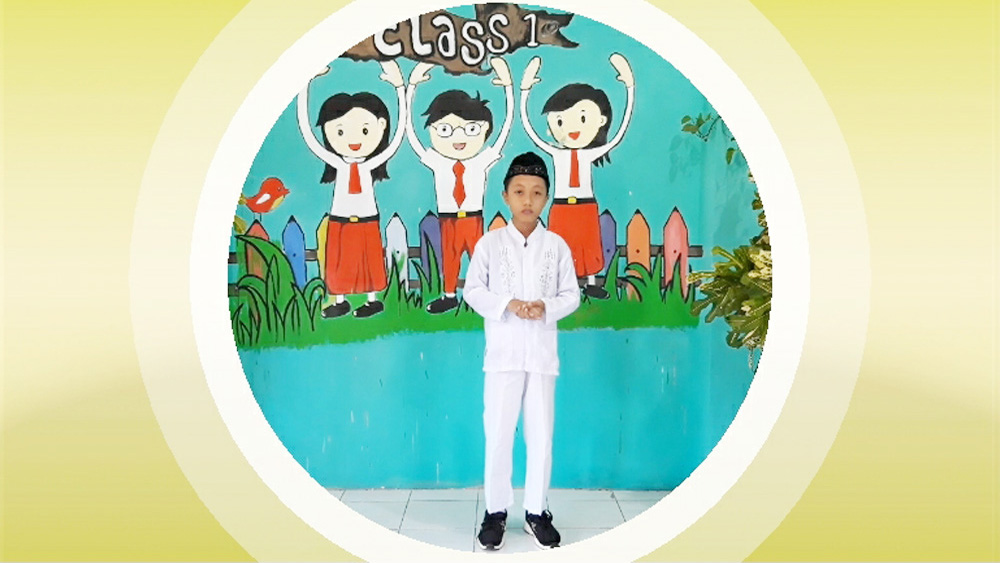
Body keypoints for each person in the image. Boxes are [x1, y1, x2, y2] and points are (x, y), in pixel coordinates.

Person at [464, 152, 581, 550]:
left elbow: (571, 295)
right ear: (506, 196)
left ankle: (536, 511)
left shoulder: (556, 246)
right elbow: (473, 291)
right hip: (503, 355)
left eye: (536, 192)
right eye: (519, 192)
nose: (527, 200)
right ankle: (495, 511)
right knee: (498, 433)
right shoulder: (490, 244)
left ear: (546, 197)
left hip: (542, 355)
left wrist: (545, 307)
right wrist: (509, 304)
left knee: (541, 435)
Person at [520, 53, 635, 299]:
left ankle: (591, 282)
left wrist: (629, 86)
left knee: (588, 244)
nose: (571, 128)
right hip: (561, 206)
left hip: (585, 206)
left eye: (582, 118)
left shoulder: (590, 153)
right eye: (560, 120)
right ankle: (561, 284)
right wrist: (525, 90)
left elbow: (619, 133)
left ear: (601, 120)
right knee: (559, 246)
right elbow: (529, 129)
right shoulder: (557, 153)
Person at [296, 61, 406, 318]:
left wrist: (400, 89)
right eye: (340, 131)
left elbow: (397, 137)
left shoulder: (369, 165)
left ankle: (372, 300)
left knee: (369, 260)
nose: (354, 140)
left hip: (367, 219)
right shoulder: (337, 163)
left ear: (381, 126)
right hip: (340, 219)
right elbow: (308, 134)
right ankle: (340, 300)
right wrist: (304, 86)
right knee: (339, 261)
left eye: (365, 129)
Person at [405, 57, 514, 314]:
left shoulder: (481, 160)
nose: (458, 137)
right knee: (450, 259)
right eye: (444, 129)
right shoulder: (437, 160)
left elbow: (505, 131)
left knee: (480, 259)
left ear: (484, 129)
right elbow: (411, 134)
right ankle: (449, 295)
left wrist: (508, 88)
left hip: (473, 218)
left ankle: (485, 297)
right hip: (447, 219)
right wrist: (411, 88)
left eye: (471, 129)